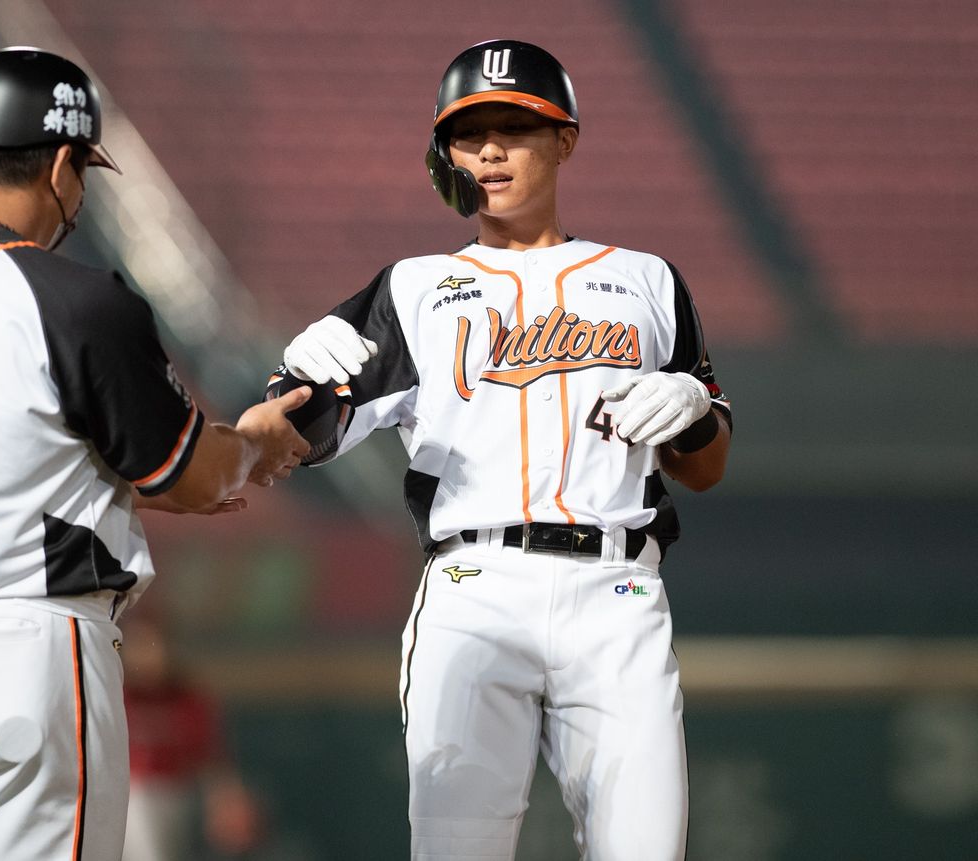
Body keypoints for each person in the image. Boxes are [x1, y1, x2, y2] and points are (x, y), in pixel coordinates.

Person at [0, 47, 310, 861]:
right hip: (22, 653)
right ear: (58, 165)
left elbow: (5, 456)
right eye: (83, 170)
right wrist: (255, 442)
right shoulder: (67, 299)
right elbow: (193, 476)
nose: (80, 195)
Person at [267, 39, 732, 860]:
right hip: (472, 587)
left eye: (515, 128)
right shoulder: (412, 290)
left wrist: (696, 412)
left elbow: (706, 467)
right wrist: (289, 385)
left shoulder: (649, 280)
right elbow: (292, 443)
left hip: (618, 590)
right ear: (444, 153)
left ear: (565, 140)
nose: (489, 151)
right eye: (469, 133)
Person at [120, 615, 265, 861]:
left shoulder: (188, 699)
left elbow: (212, 761)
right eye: (139, 645)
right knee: (140, 805)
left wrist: (227, 801)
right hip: (123, 796)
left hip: (179, 795)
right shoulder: (115, 693)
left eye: (153, 645)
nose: (148, 655)